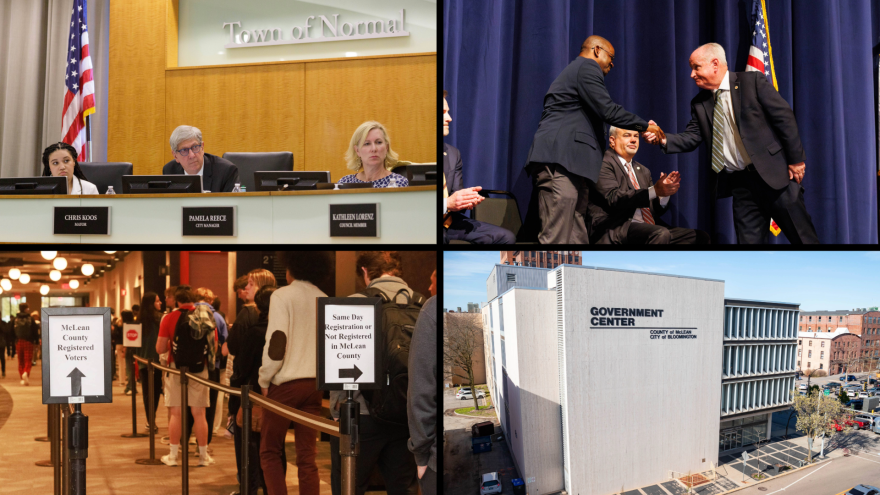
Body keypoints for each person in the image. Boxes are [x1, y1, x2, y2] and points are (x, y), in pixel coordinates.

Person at [644, 42, 819, 244]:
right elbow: (691, 137)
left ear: (715, 64)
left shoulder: (751, 82)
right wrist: (662, 137)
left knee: (804, 240)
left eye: (696, 67)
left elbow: (784, 118)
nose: (692, 74)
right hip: (742, 185)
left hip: (775, 178)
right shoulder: (700, 103)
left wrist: (796, 160)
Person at [524, 35, 664, 244]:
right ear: (597, 51)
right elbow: (608, 110)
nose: (613, 63)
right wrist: (645, 126)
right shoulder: (587, 67)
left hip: (575, 166)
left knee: (577, 237)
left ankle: (574, 276)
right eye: (611, 56)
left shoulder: (578, 72)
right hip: (561, 161)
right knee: (558, 235)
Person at [329, 251, 420, 495]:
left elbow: (342, 357)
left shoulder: (354, 302)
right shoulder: (421, 303)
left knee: (349, 484)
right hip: (406, 412)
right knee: (404, 486)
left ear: (366, 272)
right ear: (398, 270)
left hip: (361, 412)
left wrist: (337, 406)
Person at [258, 252, 329, 495]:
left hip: (285, 384)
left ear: (291, 268)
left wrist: (264, 379)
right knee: (307, 456)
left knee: (269, 450)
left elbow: (277, 344)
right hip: (315, 385)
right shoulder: (324, 297)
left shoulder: (282, 295)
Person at [588, 126, 709, 244]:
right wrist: (654, 191)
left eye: (636, 136)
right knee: (660, 233)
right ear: (612, 140)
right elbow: (613, 198)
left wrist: (663, 195)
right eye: (627, 135)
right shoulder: (602, 162)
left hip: (646, 228)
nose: (633, 139)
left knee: (699, 237)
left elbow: (652, 212)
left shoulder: (643, 170)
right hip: (616, 226)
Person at [228, 271, 278, 495]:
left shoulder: (249, 321)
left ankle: (249, 487)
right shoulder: (280, 320)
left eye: (250, 283)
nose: (245, 288)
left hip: (253, 391)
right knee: (272, 448)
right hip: (275, 393)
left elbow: (240, 358)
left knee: (250, 445)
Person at [442, 91, 515, 244]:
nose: (449, 118)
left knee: (506, 237)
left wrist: (465, 200)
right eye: (443, 113)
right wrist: (446, 203)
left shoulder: (453, 153)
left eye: (448, 112)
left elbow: (456, 195)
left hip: (450, 221)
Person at [156, 285, 216, 467]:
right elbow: (214, 344)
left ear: (177, 300)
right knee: (199, 413)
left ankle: (173, 456)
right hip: (200, 368)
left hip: (176, 368)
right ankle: (203, 456)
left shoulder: (169, 317)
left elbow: (159, 348)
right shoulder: (205, 316)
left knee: (176, 412)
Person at [407, 294, 436, 495]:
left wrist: (421, 456)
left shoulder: (432, 308)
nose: (427, 287)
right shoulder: (428, 308)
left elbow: (421, 389)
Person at [162, 125, 239, 193]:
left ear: (202, 147)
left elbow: (230, 207)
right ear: (175, 156)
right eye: (184, 150)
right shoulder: (170, 171)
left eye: (195, 147)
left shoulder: (226, 171)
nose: (192, 155)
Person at [338, 121, 409, 188]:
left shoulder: (399, 183)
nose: (374, 149)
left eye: (378, 142)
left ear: (386, 148)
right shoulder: (345, 183)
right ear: (357, 151)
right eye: (367, 144)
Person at [137, 292, 164, 431]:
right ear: (151, 303)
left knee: (147, 393)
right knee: (155, 392)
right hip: (157, 362)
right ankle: (151, 420)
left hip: (143, 362)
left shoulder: (139, 321)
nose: (160, 303)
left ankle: (150, 420)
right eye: (158, 301)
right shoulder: (160, 320)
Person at [13, 303, 39, 386]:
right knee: (28, 360)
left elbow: (11, 331)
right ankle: (26, 373)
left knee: (20, 361)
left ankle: (22, 378)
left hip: (19, 341)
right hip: (28, 341)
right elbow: (35, 331)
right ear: (25, 309)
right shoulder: (30, 319)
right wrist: (37, 341)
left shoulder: (15, 319)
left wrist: (14, 340)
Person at [121, 309, 137, 395]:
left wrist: (124, 351)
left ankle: (131, 387)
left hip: (129, 350)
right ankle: (129, 386)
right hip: (134, 349)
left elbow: (126, 340)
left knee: (129, 370)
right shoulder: (135, 324)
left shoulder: (126, 326)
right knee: (131, 369)